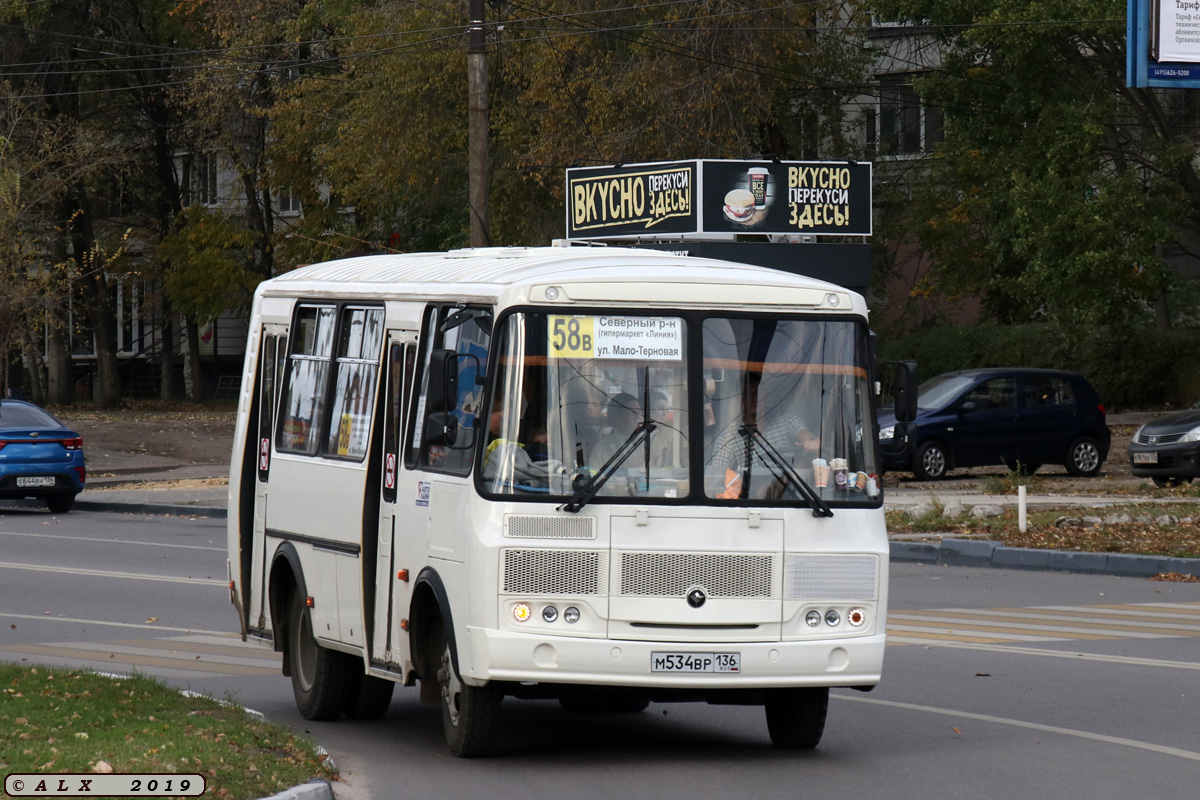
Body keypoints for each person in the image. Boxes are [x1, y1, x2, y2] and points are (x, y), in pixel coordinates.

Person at [709, 375, 818, 499]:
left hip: (796, 491)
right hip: (757, 498)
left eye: (759, 392)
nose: (755, 397)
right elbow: (716, 474)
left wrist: (810, 442)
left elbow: (805, 435)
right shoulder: (729, 436)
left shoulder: (785, 419)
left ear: (766, 395)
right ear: (740, 398)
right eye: (749, 393)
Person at [589, 393, 643, 467]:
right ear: (616, 417)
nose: (638, 416)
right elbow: (595, 473)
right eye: (632, 412)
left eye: (639, 410)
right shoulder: (604, 447)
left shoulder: (646, 441)